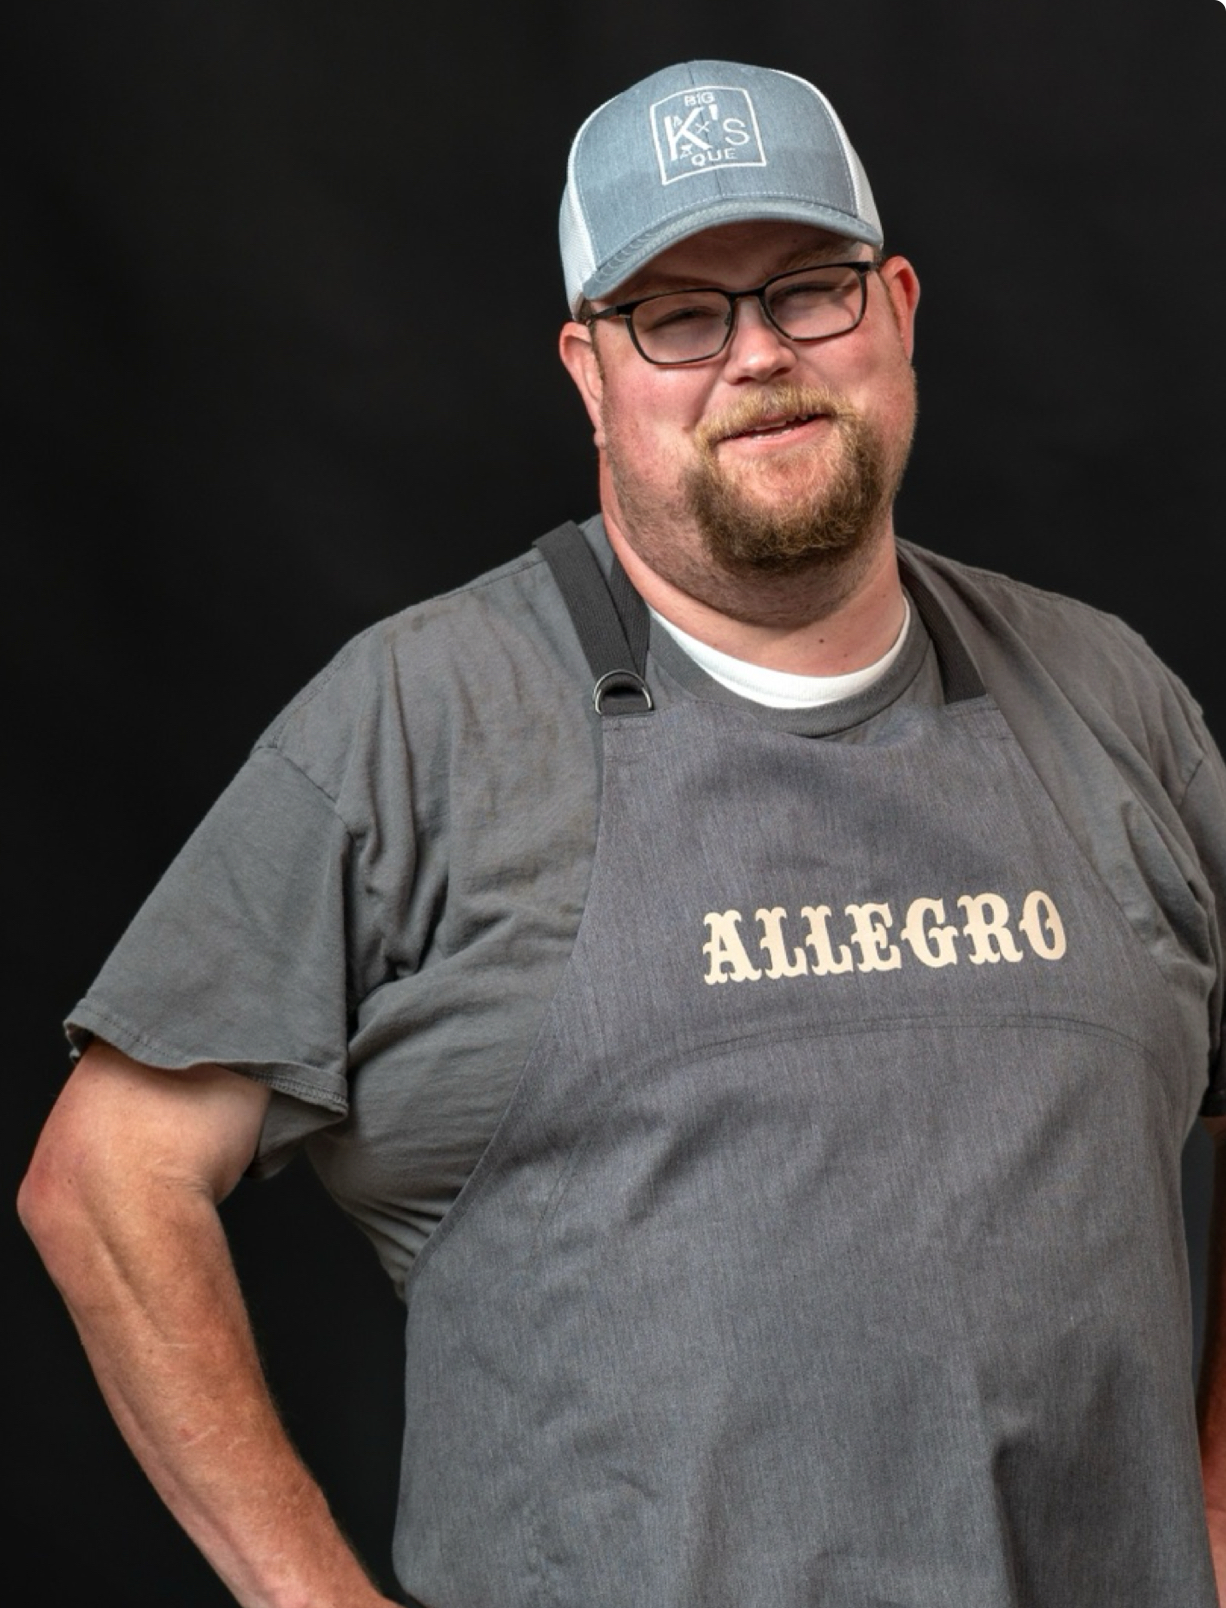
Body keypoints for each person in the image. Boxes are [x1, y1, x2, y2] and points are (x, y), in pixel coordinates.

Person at [18, 57, 1226, 1608]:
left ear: (899, 307)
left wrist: (1207, 1494)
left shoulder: (1103, 693)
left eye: (809, 291)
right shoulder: (424, 717)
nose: (760, 358)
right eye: (679, 315)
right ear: (589, 370)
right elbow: (106, 1180)